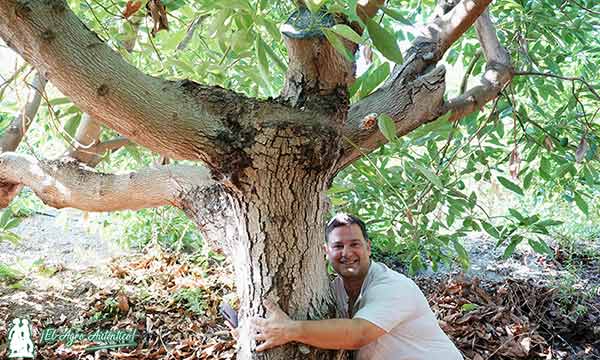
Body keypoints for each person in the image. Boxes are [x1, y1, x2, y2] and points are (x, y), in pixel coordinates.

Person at [252, 213, 463, 359]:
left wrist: (290, 330)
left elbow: (358, 334)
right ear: (326, 251)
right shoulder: (333, 290)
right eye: (338, 246)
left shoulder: (393, 286)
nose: (347, 253)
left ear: (368, 247)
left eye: (354, 244)